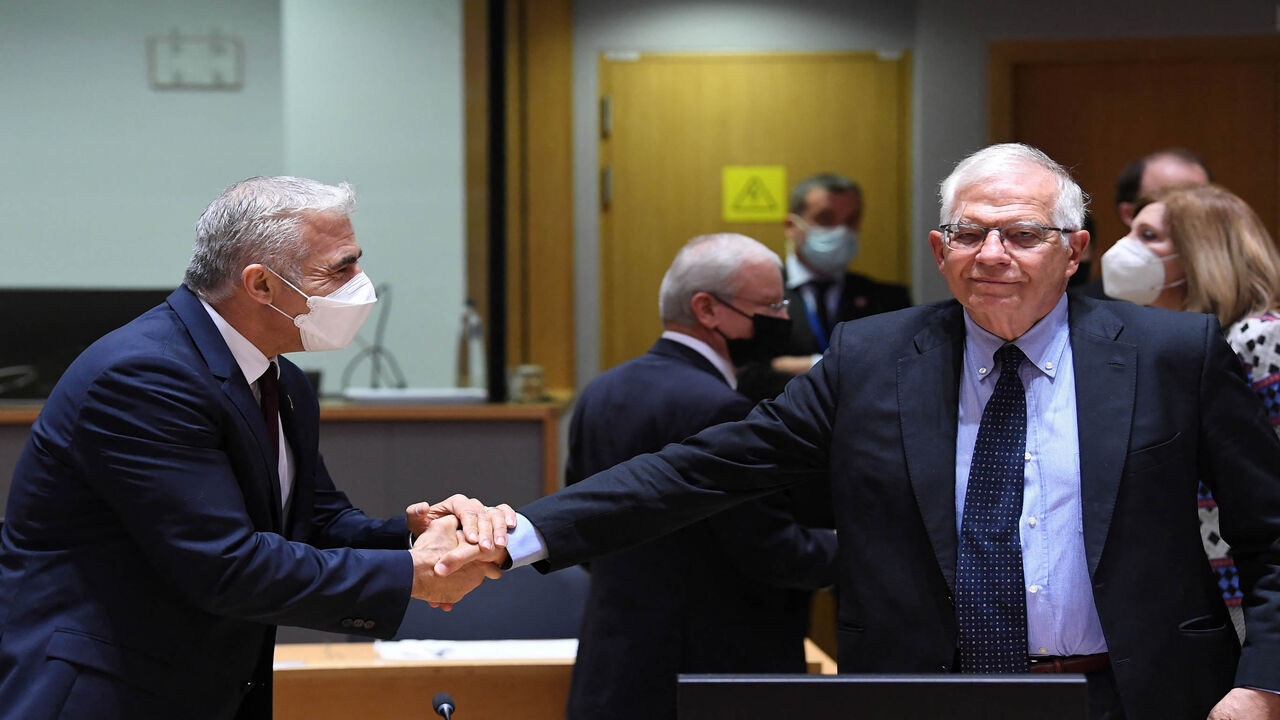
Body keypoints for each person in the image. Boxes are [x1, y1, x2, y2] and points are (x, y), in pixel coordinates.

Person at [438, 144, 1280, 720]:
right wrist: (522, 533)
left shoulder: (1175, 355)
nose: (993, 253)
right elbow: (708, 467)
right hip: (927, 698)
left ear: (1075, 250)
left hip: (1136, 696)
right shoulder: (876, 359)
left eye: (1023, 234)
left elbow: (1270, 538)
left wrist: (1262, 686)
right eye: (969, 232)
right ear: (939, 249)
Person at [0, 176, 508, 719]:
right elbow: (225, 565)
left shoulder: (279, 379)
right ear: (261, 285)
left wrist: (421, 534)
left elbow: (314, 520)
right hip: (106, 692)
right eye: (340, 268)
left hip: (205, 689)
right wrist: (415, 574)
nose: (361, 283)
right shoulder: (144, 377)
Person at [564, 233, 837, 720]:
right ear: (707, 309)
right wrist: (871, 547)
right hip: (709, 676)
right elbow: (772, 552)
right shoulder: (723, 409)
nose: (783, 319)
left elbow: (587, 533)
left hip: (614, 666)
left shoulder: (602, 391)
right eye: (771, 305)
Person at [1101, 182, 1280, 642]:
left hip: (1251, 593)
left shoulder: (1260, 338)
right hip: (1195, 597)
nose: (1125, 249)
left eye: (1149, 236)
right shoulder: (1158, 347)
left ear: (1201, 252)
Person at [736, 173, 911, 404]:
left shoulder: (889, 300)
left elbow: (901, 373)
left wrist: (803, 366)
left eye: (851, 220)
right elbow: (745, 376)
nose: (841, 231)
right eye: (826, 219)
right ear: (791, 226)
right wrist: (833, 369)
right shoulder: (753, 295)